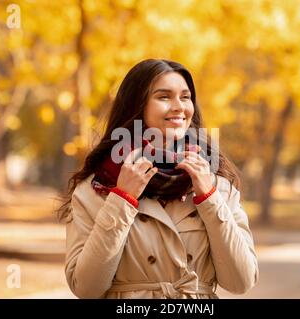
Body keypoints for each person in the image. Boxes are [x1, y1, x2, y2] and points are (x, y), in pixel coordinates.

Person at [58, 59, 259, 299]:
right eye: (164, 97)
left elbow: (241, 281)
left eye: (185, 97)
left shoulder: (215, 184)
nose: (179, 107)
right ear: (137, 105)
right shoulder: (97, 187)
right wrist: (122, 199)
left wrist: (209, 198)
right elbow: (86, 288)